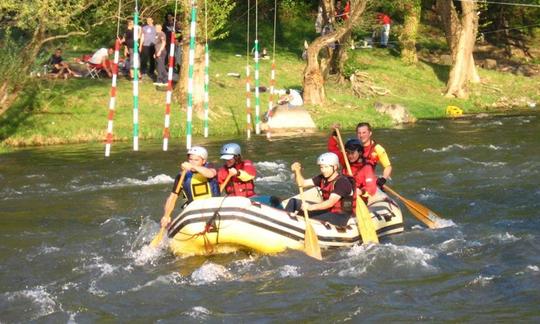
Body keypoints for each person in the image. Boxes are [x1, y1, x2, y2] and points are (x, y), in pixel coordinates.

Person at [285, 153, 353, 227]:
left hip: (340, 217)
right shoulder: (322, 178)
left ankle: (295, 225)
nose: (323, 170)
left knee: (304, 212)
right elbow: (302, 183)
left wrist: (310, 207)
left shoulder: (342, 182)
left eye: (326, 167)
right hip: (329, 211)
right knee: (293, 202)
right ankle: (285, 222)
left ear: (335, 167)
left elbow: (330, 203)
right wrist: (297, 171)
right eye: (321, 167)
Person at [160, 146, 219, 228]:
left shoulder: (211, 167)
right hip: (194, 212)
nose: (192, 162)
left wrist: (193, 167)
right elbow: (172, 197)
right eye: (190, 159)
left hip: (213, 209)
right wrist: (166, 215)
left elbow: (210, 174)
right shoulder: (182, 176)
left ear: (204, 161)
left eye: (196, 160)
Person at [327, 131, 377, 202]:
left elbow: (371, 189)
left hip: (358, 198)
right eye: (348, 152)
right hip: (344, 193)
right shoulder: (346, 161)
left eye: (352, 153)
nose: (350, 156)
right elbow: (332, 149)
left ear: (360, 153)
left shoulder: (367, 167)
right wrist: (334, 134)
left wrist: (361, 191)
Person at [356, 122, 392, 189]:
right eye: (359, 133)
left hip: (369, 181)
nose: (361, 135)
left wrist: (383, 179)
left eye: (364, 132)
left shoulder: (377, 148)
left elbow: (388, 166)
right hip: (355, 181)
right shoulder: (354, 147)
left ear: (370, 133)